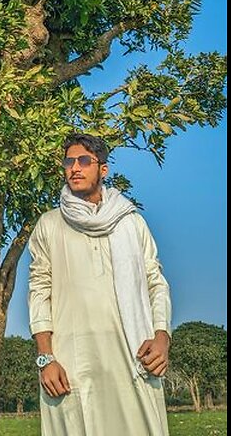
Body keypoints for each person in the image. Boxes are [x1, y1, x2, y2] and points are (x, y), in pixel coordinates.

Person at [27, 132, 172, 435]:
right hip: (72, 364)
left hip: (132, 357)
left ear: (102, 169)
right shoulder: (50, 225)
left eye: (83, 161)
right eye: (69, 161)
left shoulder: (130, 223)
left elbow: (156, 284)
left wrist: (162, 338)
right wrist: (46, 358)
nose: (74, 168)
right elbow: (39, 293)